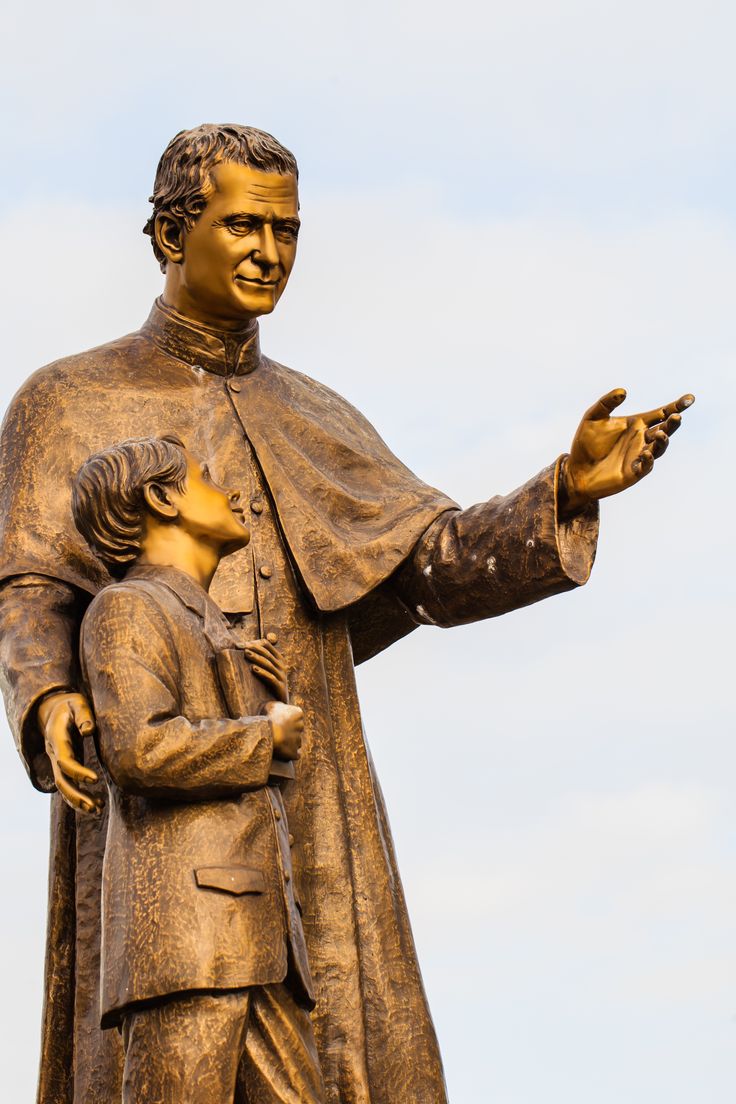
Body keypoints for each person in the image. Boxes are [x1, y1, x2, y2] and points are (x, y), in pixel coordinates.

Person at [0, 123, 693, 1104]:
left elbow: (431, 564)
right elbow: (28, 582)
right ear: (169, 236)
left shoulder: (318, 414)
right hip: (156, 808)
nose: (268, 252)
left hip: (310, 794)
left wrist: (565, 492)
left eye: (286, 230)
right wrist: (46, 695)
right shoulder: (66, 400)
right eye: (242, 225)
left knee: (344, 1064)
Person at [72, 434, 324, 1103]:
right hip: (187, 944)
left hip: (259, 943)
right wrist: (264, 737)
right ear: (161, 498)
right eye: (207, 479)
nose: (229, 491)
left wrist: (272, 719)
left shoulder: (217, 630)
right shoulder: (126, 607)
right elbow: (140, 749)